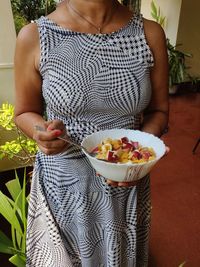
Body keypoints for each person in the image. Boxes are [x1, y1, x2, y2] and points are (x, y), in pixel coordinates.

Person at [14, 0, 169, 266]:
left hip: (125, 183)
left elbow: (159, 112)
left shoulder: (149, 33)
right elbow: (24, 112)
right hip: (65, 187)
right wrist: (41, 132)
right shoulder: (34, 35)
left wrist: (141, 155)